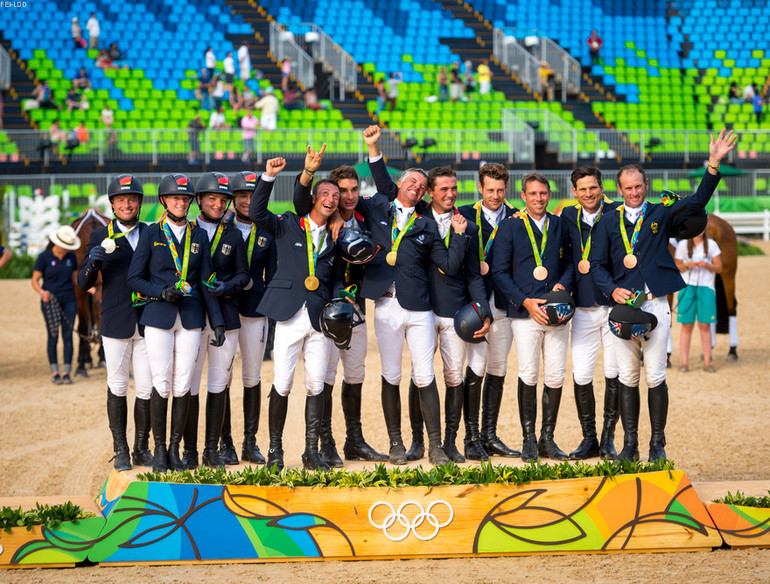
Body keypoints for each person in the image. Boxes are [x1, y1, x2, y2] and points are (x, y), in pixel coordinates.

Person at [590, 129, 737, 463]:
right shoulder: (607, 223)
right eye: (627, 188)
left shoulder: (659, 213)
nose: (634, 192)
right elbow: (597, 266)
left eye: (638, 186)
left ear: (647, 185)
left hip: (655, 304)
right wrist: (612, 289)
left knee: (655, 375)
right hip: (624, 309)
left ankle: (657, 444)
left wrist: (713, 164)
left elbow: (697, 201)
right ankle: (631, 444)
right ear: (619, 189)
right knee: (627, 377)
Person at [361, 124, 471, 465]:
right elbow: (382, 181)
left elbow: (450, 266)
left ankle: (435, 446)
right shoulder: (379, 206)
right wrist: (374, 147)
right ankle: (396, 443)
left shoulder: (424, 222)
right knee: (391, 374)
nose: (417, 187)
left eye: (422, 186)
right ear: (401, 183)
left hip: (420, 307)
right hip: (385, 304)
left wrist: (460, 236)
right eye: (412, 182)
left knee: (425, 374)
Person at [292, 153, 388, 466]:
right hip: (326, 309)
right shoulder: (318, 218)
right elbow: (298, 195)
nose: (347, 196)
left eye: (352, 190)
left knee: (356, 372)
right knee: (326, 375)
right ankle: (327, 441)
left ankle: (355, 440)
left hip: (356, 308)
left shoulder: (366, 217)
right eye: (341, 191)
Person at [248, 156, 342, 471]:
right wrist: (269, 177)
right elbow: (257, 212)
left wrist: (341, 299)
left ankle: (310, 452)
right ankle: (275, 451)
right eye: (326, 194)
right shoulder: (288, 223)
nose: (331, 200)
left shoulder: (336, 235)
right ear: (313, 199)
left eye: (336, 197)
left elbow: (339, 277)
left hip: (320, 320)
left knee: (316, 384)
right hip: (289, 315)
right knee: (283, 383)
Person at [127, 173, 225, 473]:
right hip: (159, 315)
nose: (180, 203)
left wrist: (217, 321)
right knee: (162, 381)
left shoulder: (199, 235)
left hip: (191, 317)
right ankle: (158, 451)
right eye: (174, 198)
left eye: (184, 199)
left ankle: (174, 449)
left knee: (184, 382)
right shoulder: (150, 233)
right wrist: (160, 292)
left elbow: (206, 281)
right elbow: (134, 278)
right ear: (163, 201)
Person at [406, 166, 491, 463]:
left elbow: (472, 275)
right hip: (421, 310)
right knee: (421, 375)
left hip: (455, 312)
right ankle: (418, 441)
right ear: (430, 192)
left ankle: (451, 441)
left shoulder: (469, 227)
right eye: (443, 189)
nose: (450, 194)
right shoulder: (413, 221)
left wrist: (484, 311)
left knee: (454, 377)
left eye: (454, 188)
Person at [491, 172, 573, 462]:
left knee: (555, 375)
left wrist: (563, 285)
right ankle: (528, 439)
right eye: (533, 194)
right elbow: (499, 272)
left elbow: (570, 263)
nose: (539, 199)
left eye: (544, 193)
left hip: (556, 312)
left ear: (549, 194)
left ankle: (547, 439)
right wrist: (525, 302)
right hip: (525, 314)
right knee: (528, 373)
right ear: (523, 196)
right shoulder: (510, 227)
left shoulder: (560, 224)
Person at [77, 175, 152, 471]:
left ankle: (141, 447)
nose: (127, 204)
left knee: (147, 387)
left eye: (132, 199)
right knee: (118, 385)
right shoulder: (99, 236)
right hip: (115, 318)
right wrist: (92, 262)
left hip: (149, 322)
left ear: (140, 203)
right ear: (112, 205)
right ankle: (120, 448)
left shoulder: (151, 232)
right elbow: (83, 284)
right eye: (121, 200)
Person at [184, 173, 250, 469]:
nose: (217, 204)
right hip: (194, 316)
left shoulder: (233, 234)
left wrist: (229, 287)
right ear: (199, 200)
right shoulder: (185, 231)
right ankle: (189, 450)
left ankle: (213, 450)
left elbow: (244, 275)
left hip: (226, 313)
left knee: (219, 382)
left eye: (222, 200)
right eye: (211, 198)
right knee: (190, 383)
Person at [458, 162, 520, 460]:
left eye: (500, 190)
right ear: (479, 188)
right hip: (475, 304)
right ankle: (471, 438)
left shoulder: (517, 217)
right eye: (489, 189)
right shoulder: (464, 215)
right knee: (476, 368)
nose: (495, 195)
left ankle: (489, 435)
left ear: (505, 189)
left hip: (505, 303)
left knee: (498, 369)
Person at [560, 166, 621, 460]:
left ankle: (608, 439)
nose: (588, 194)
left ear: (601, 186)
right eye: (582, 189)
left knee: (613, 373)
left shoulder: (617, 213)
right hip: (582, 307)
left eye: (593, 188)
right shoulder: (567, 217)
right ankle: (589, 439)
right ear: (574, 192)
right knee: (582, 375)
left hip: (612, 306)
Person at [230, 171, 276, 465]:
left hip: (254, 309)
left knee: (252, 377)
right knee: (220, 378)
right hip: (224, 308)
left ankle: (249, 442)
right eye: (242, 196)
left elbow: (272, 276)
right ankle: (222, 443)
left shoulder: (267, 230)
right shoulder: (221, 228)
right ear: (233, 199)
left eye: (252, 196)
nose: (248, 201)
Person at [31, 225, 80, 385]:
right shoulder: (44, 257)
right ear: (57, 243)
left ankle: (66, 371)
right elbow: (35, 280)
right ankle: (55, 371)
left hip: (69, 300)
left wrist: (89, 288)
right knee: (53, 336)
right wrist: (42, 292)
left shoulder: (70, 258)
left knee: (68, 336)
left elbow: (74, 278)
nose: (68, 249)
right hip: (50, 301)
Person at [675, 230, 722, 372]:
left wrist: (707, 265)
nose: (698, 231)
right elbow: (677, 267)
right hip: (687, 287)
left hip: (706, 288)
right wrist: (687, 265)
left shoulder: (712, 244)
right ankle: (684, 363)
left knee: (705, 326)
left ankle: (707, 363)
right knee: (686, 326)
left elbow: (719, 267)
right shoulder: (683, 245)